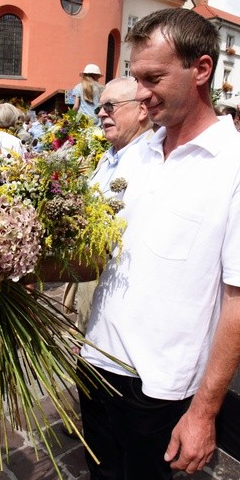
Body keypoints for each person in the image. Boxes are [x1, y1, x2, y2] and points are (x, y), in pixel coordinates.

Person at [78, 7, 240, 480]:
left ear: (202, 70)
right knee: (103, 478)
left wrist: (204, 413)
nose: (141, 93)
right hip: (95, 359)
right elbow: (96, 253)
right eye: (135, 77)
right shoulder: (136, 153)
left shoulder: (234, 166)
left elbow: (239, 301)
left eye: (153, 78)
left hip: (159, 385)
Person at [63, 76, 154, 336]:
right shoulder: (110, 155)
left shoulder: (151, 161)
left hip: (118, 295)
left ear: (142, 110)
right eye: (100, 107)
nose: (101, 113)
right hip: (91, 283)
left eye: (110, 106)